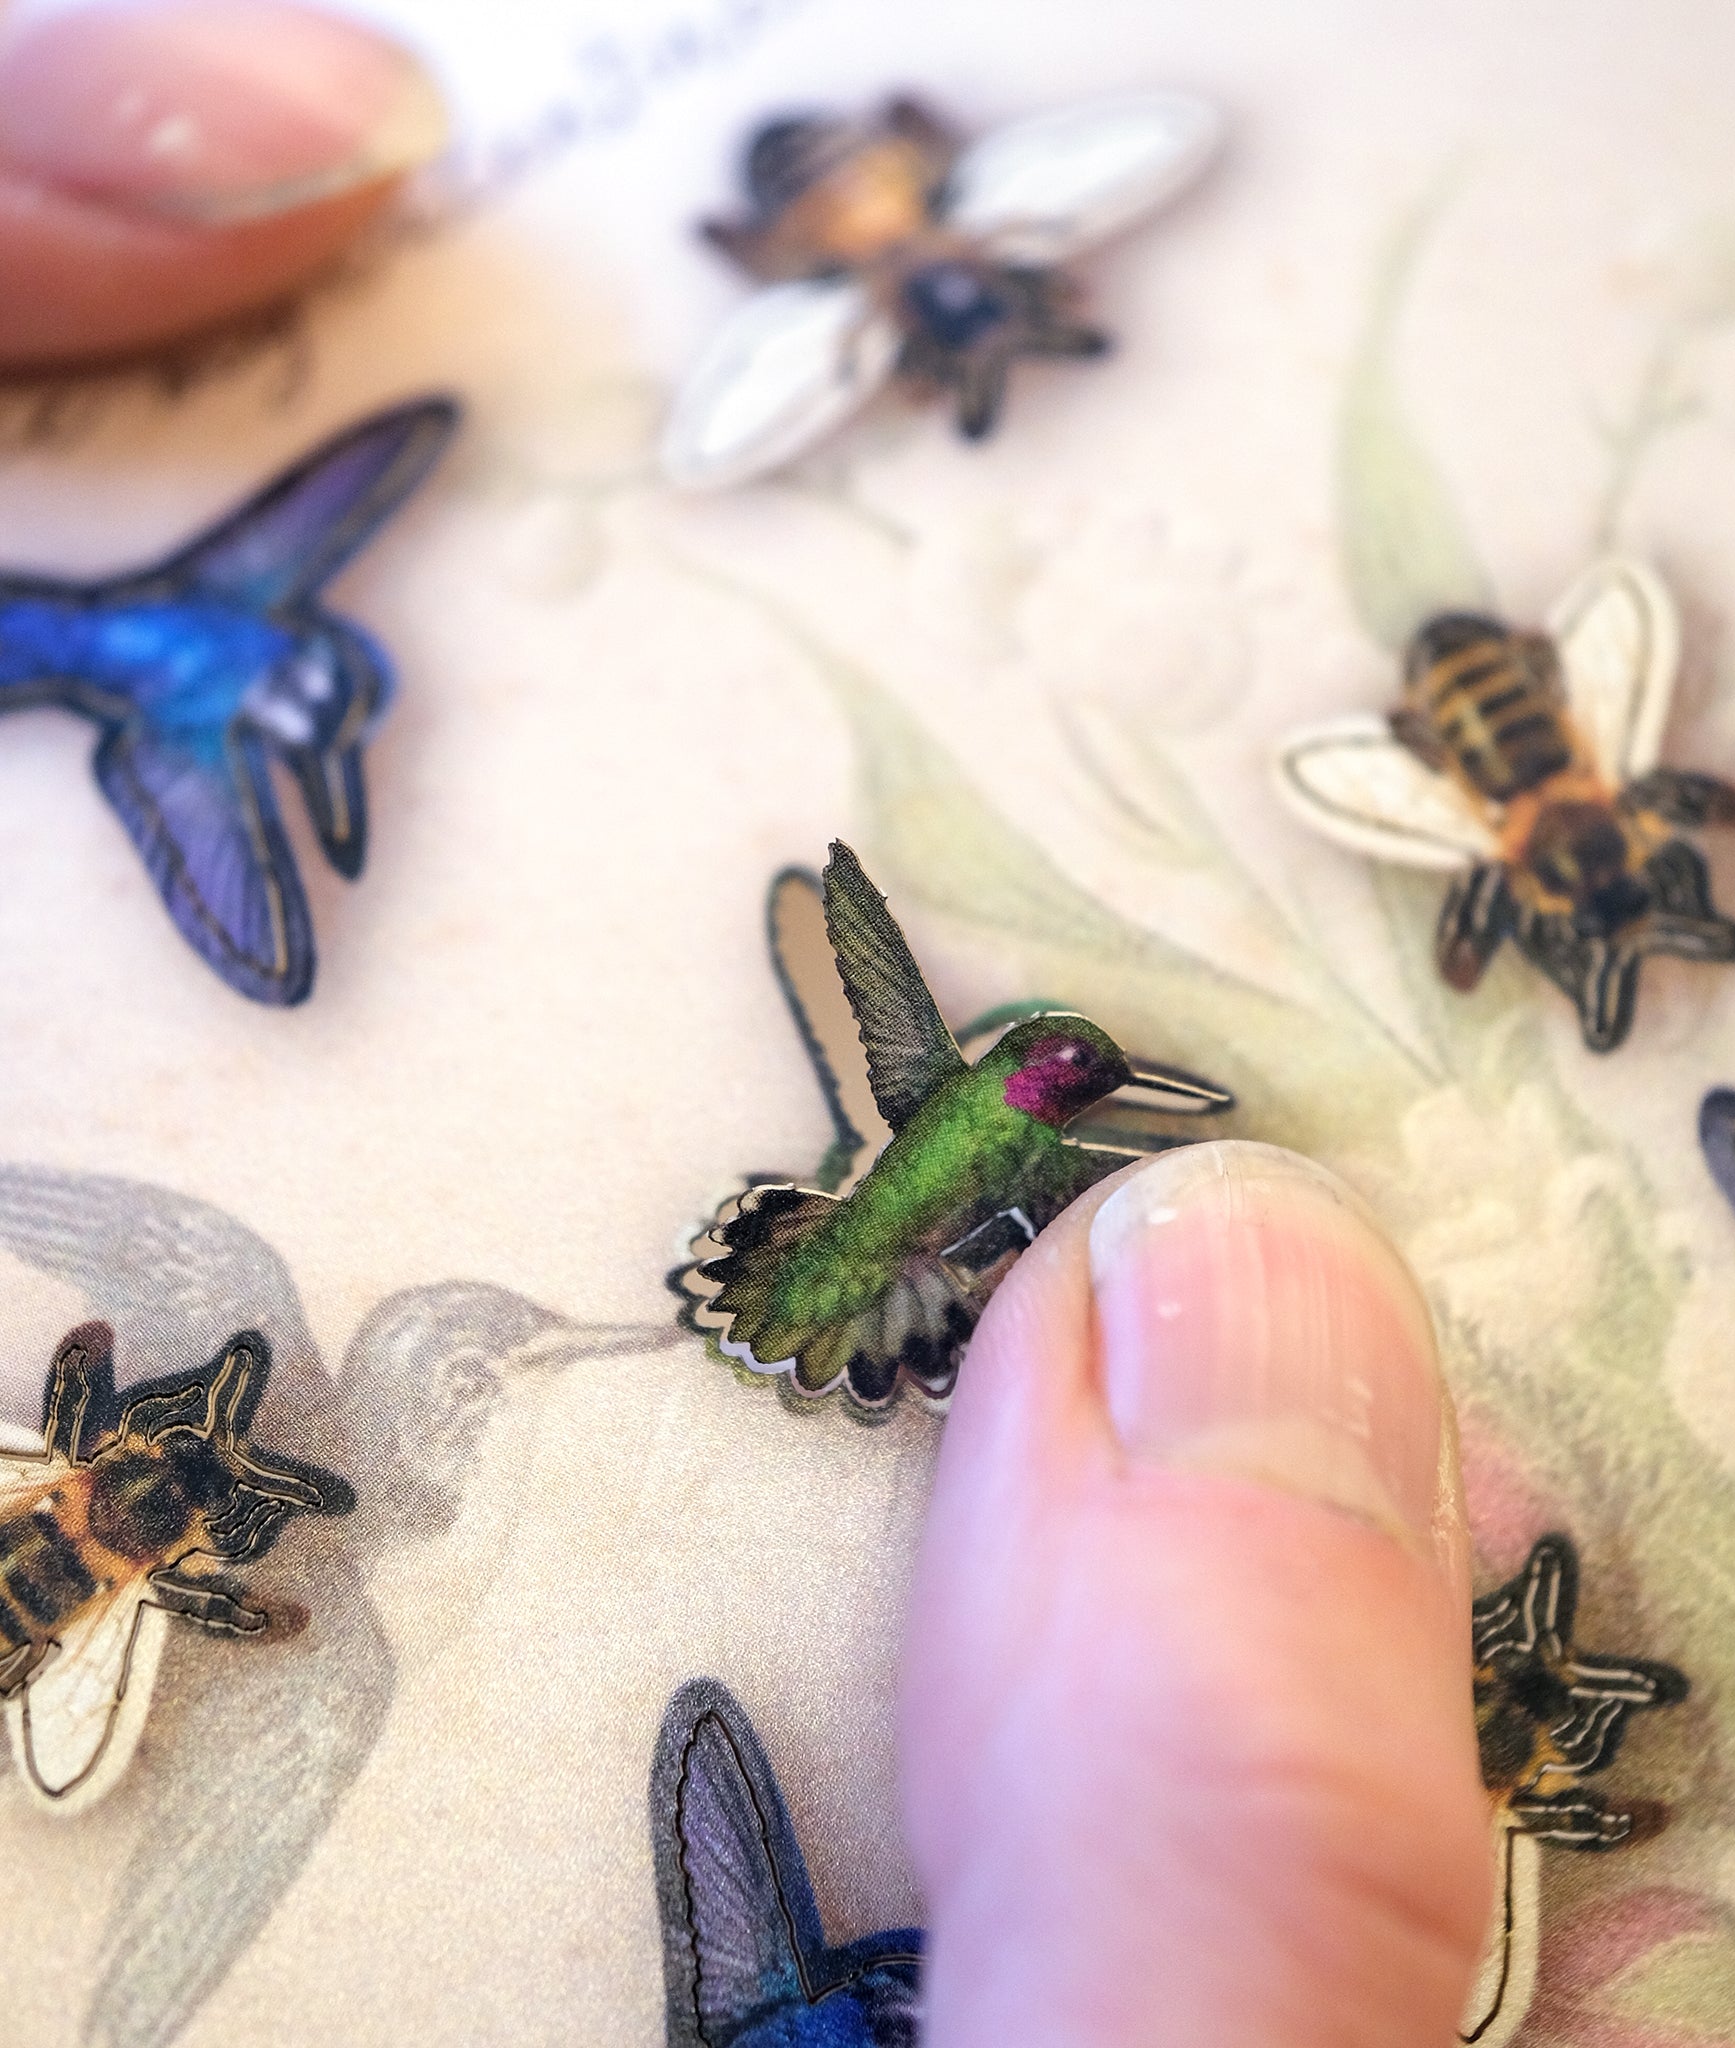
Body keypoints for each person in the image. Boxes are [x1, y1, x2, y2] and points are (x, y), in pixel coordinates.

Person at [0, 7, 1493, 2041]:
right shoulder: (998, 1118)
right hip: (852, 1270)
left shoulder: (999, 1115)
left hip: (858, 1265)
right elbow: (846, 956)